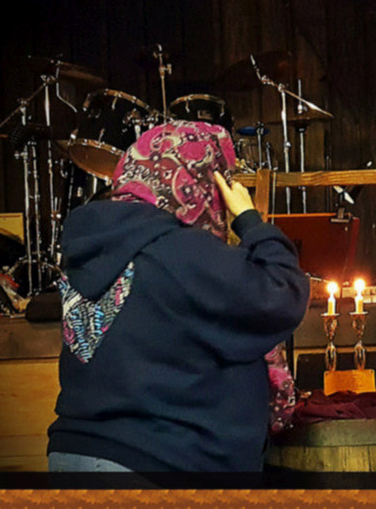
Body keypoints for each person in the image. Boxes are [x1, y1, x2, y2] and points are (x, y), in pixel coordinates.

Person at [47, 120, 310, 474]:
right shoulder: (180, 251)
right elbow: (281, 294)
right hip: (153, 462)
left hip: (75, 453)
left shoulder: (93, 246)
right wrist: (250, 221)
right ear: (201, 178)